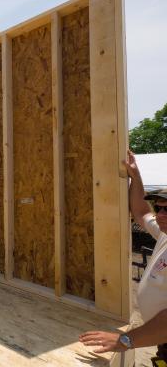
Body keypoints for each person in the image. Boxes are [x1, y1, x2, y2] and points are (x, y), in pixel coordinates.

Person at [80, 150, 167, 363]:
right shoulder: (164, 234)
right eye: (160, 207)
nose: (161, 214)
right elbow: (140, 212)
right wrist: (135, 175)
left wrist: (126, 340)